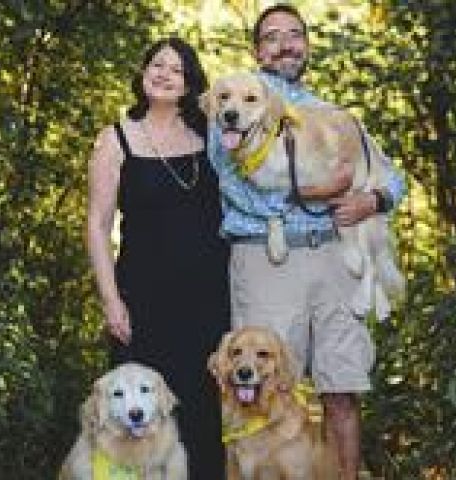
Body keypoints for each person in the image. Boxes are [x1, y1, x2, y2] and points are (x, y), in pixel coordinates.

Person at [208, 4, 406, 480]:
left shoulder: (331, 114)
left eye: (294, 35)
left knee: (342, 387)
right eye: (272, 36)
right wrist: (317, 194)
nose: (285, 44)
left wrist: (372, 200)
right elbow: (238, 185)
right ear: (257, 49)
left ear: (306, 46)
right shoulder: (234, 99)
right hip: (267, 260)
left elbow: (390, 176)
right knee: (256, 387)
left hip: (337, 258)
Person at [87, 37, 230, 480]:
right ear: (143, 73)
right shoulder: (116, 139)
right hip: (142, 303)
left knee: (204, 420)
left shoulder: (212, 135)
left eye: (176, 68)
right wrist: (111, 300)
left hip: (209, 302)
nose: (164, 73)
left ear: (189, 83)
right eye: (156, 64)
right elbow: (96, 224)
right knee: (135, 421)